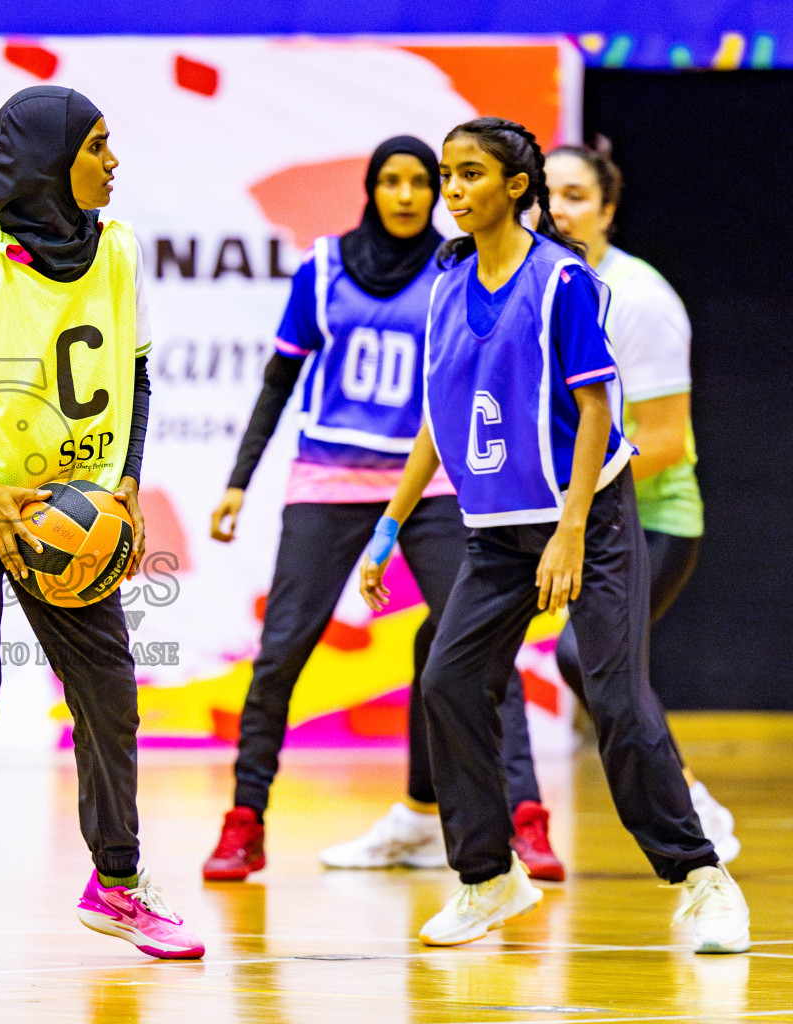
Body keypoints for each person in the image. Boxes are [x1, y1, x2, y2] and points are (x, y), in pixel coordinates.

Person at [361, 116, 749, 953]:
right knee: (448, 683)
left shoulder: (562, 281)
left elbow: (597, 408)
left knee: (613, 696)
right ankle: (489, 879)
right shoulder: (446, 285)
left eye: (468, 174)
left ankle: (701, 877)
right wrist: (389, 528)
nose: (451, 189)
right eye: (446, 174)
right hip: (497, 531)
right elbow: (439, 417)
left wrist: (572, 532)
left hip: (591, 519)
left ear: (514, 188)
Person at [0, 86, 204, 973]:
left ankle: (118, 884)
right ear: (47, 165)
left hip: (70, 513)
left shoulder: (122, 253)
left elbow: (135, 376)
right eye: (98, 145)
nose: (113, 161)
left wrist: (128, 485)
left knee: (110, 695)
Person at [202, 137, 564, 884]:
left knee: (484, 646)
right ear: (371, 190)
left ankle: (526, 818)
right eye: (392, 182)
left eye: (418, 183)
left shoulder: (457, 271)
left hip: (425, 484)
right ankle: (244, 821)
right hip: (327, 484)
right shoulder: (324, 267)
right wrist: (239, 480)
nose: (406, 195)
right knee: (279, 656)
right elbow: (278, 379)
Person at [543, 138, 739, 862]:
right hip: (567, 517)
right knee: (456, 652)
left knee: (587, 658)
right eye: (548, 194)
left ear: (608, 210)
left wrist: (561, 495)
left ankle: (690, 811)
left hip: (650, 519)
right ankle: (468, 835)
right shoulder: (531, 285)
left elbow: (660, 440)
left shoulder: (642, 301)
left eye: (577, 196)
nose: (558, 210)